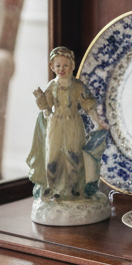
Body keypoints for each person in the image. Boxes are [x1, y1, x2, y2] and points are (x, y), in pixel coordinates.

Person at [27, 47, 107, 201]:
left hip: (73, 124)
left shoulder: (77, 86)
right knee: (53, 158)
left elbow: (88, 105)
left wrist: (98, 122)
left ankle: (74, 189)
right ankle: (55, 189)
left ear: (72, 66)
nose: (61, 69)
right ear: (52, 67)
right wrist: (41, 100)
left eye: (65, 65)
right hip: (55, 124)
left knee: (74, 156)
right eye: (58, 66)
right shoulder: (53, 85)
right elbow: (46, 107)